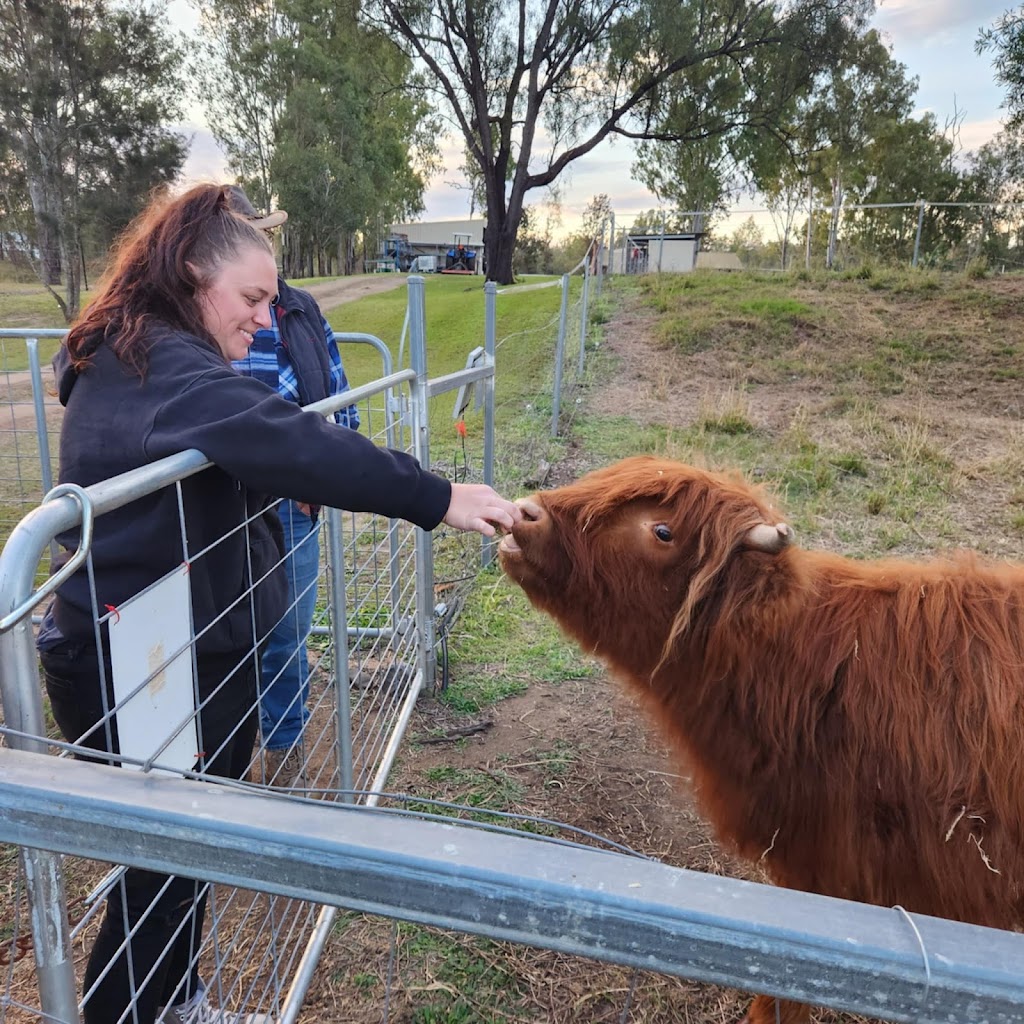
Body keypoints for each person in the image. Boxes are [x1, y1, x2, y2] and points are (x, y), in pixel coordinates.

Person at [35, 183, 520, 1024]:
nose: (267, 318)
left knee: (180, 857)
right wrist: (437, 495)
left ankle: (173, 1001)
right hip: (145, 664)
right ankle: (129, 1010)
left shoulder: (137, 356)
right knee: (161, 866)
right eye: (253, 297)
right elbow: (289, 439)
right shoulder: (160, 364)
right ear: (192, 273)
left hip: (174, 647)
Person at [226, 186, 357, 790]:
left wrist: (322, 467)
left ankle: (283, 765)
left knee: (285, 634)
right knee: (216, 640)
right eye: (249, 232)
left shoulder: (300, 308)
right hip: (212, 509)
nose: (263, 243)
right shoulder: (188, 319)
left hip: (292, 509)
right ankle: (215, 768)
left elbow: (336, 391)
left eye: (265, 232)